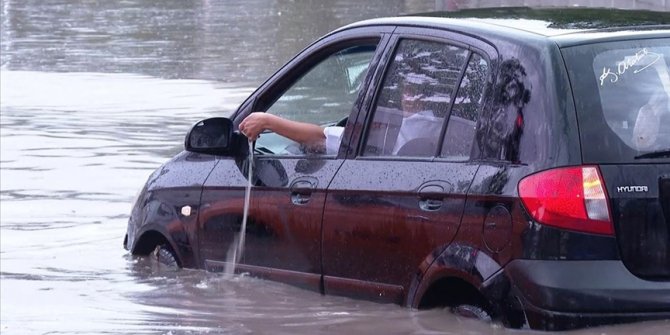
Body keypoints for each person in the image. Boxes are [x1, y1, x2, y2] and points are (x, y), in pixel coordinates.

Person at [239, 79, 441, 155]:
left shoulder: (396, 131)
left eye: (414, 90)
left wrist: (267, 121)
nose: (408, 98)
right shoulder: (450, 128)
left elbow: (321, 138)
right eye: (406, 90)